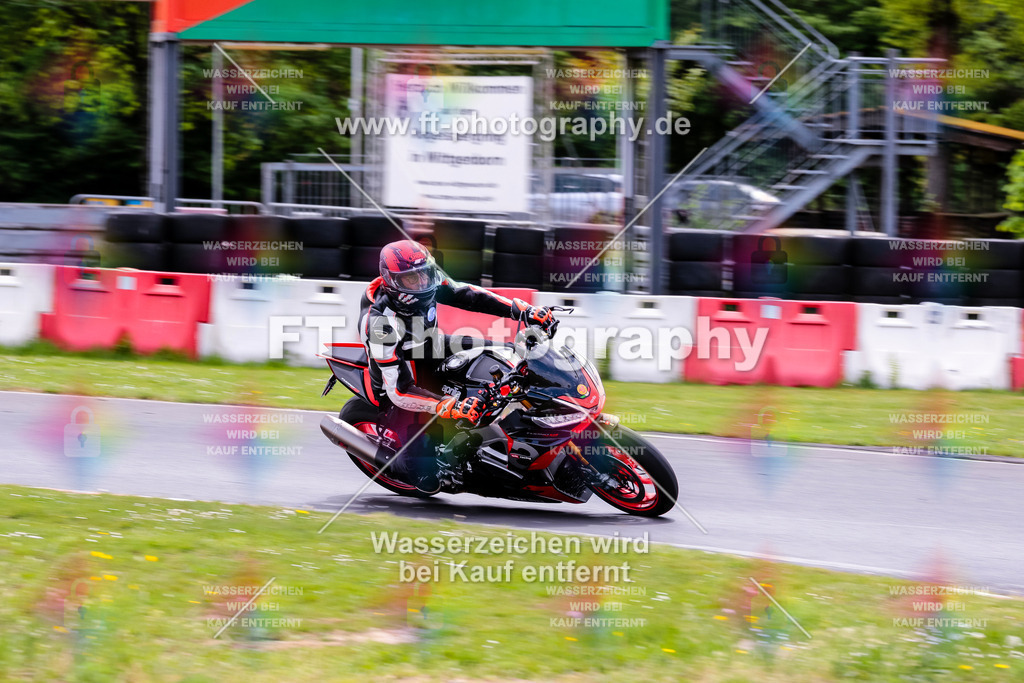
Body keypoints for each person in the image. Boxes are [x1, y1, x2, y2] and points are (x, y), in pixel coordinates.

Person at [358, 239, 557, 491]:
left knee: (506, 353)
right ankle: (407, 463)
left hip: (427, 346)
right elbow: (398, 391)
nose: (423, 282)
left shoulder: (427, 280)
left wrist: (522, 310)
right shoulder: (380, 325)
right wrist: (449, 406)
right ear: (392, 281)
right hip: (398, 379)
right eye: (412, 278)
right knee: (426, 478)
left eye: (425, 273)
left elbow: (468, 294)